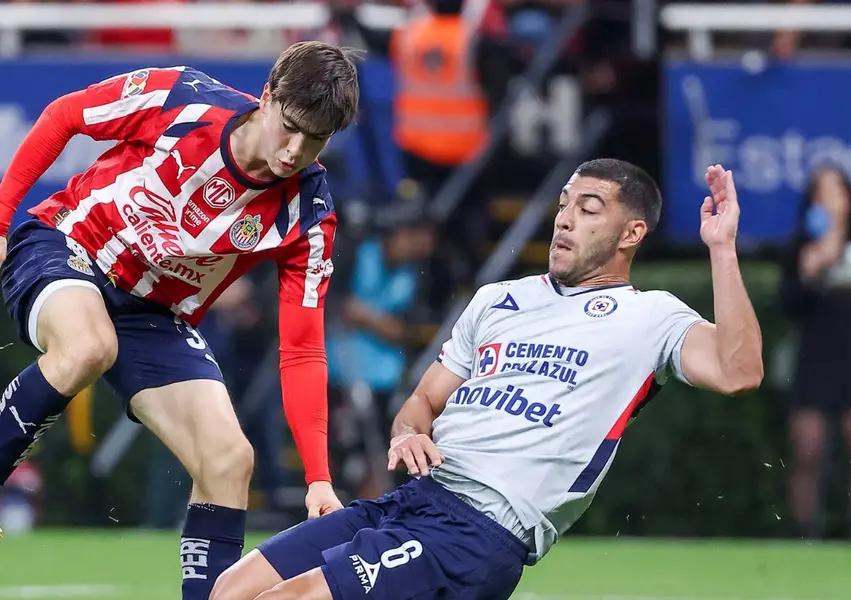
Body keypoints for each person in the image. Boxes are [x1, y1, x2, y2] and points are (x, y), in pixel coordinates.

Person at [209, 160, 765, 600]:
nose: (565, 218)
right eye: (564, 204)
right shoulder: (499, 299)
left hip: (476, 534)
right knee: (230, 590)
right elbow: (424, 400)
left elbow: (739, 371)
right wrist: (408, 431)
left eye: (589, 209)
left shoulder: (650, 317)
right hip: (416, 501)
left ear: (632, 233)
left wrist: (722, 249)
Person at [0, 41, 361, 599]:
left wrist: (319, 477)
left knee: (230, 459)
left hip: (153, 312)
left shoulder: (309, 213)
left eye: (317, 140)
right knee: (88, 346)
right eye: (291, 127)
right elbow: (65, 114)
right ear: (267, 96)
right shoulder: (181, 98)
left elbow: (302, 349)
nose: (295, 151)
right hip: (70, 245)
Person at [779, 165, 851, 540]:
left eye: (835, 191)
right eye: (820, 192)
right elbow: (788, 303)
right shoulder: (800, 247)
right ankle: (805, 533)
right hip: (815, 356)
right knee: (806, 448)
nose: (829, 200)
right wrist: (810, 274)